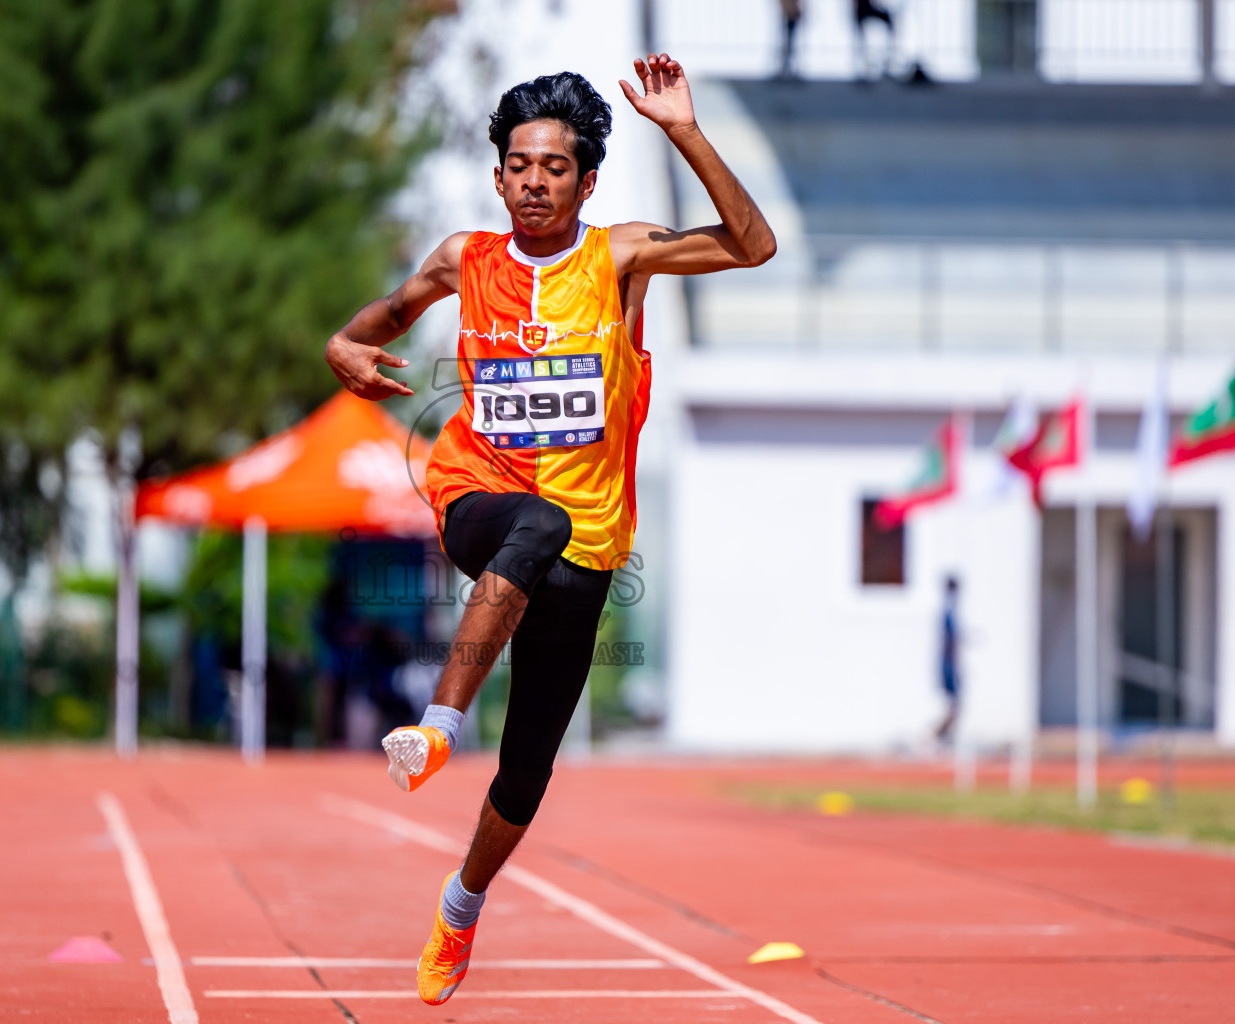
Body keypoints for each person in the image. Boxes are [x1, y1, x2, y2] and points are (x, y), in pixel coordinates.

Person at [324, 55, 776, 1006]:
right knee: (534, 520)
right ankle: (440, 727)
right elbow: (390, 312)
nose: (535, 179)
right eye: (519, 164)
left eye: (555, 166)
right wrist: (346, 343)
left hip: (590, 545)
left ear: (585, 180)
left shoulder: (619, 258)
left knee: (529, 764)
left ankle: (460, 905)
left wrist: (683, 129)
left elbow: (753, 245)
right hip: (478, 497)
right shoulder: (466, 259)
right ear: (498, 176)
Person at [935, 575, 961, 743]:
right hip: (948, 664)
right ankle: (937, 736)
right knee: (954, 704)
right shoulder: (947, 611)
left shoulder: (951, 609)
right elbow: (947, 641)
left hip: (950, 663)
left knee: (955, 705)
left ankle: (943, 737)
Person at [853, 0, 896, 79]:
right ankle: (864, 65)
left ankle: (886, 60)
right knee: (861, 38)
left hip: (864, 9)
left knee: (861, 37)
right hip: (861, 10)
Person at [778, 0, 803, 80]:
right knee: (787, 42)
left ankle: (787, 66)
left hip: (791, 18)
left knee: (790, 42)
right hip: (788, 17)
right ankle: (785, 66)